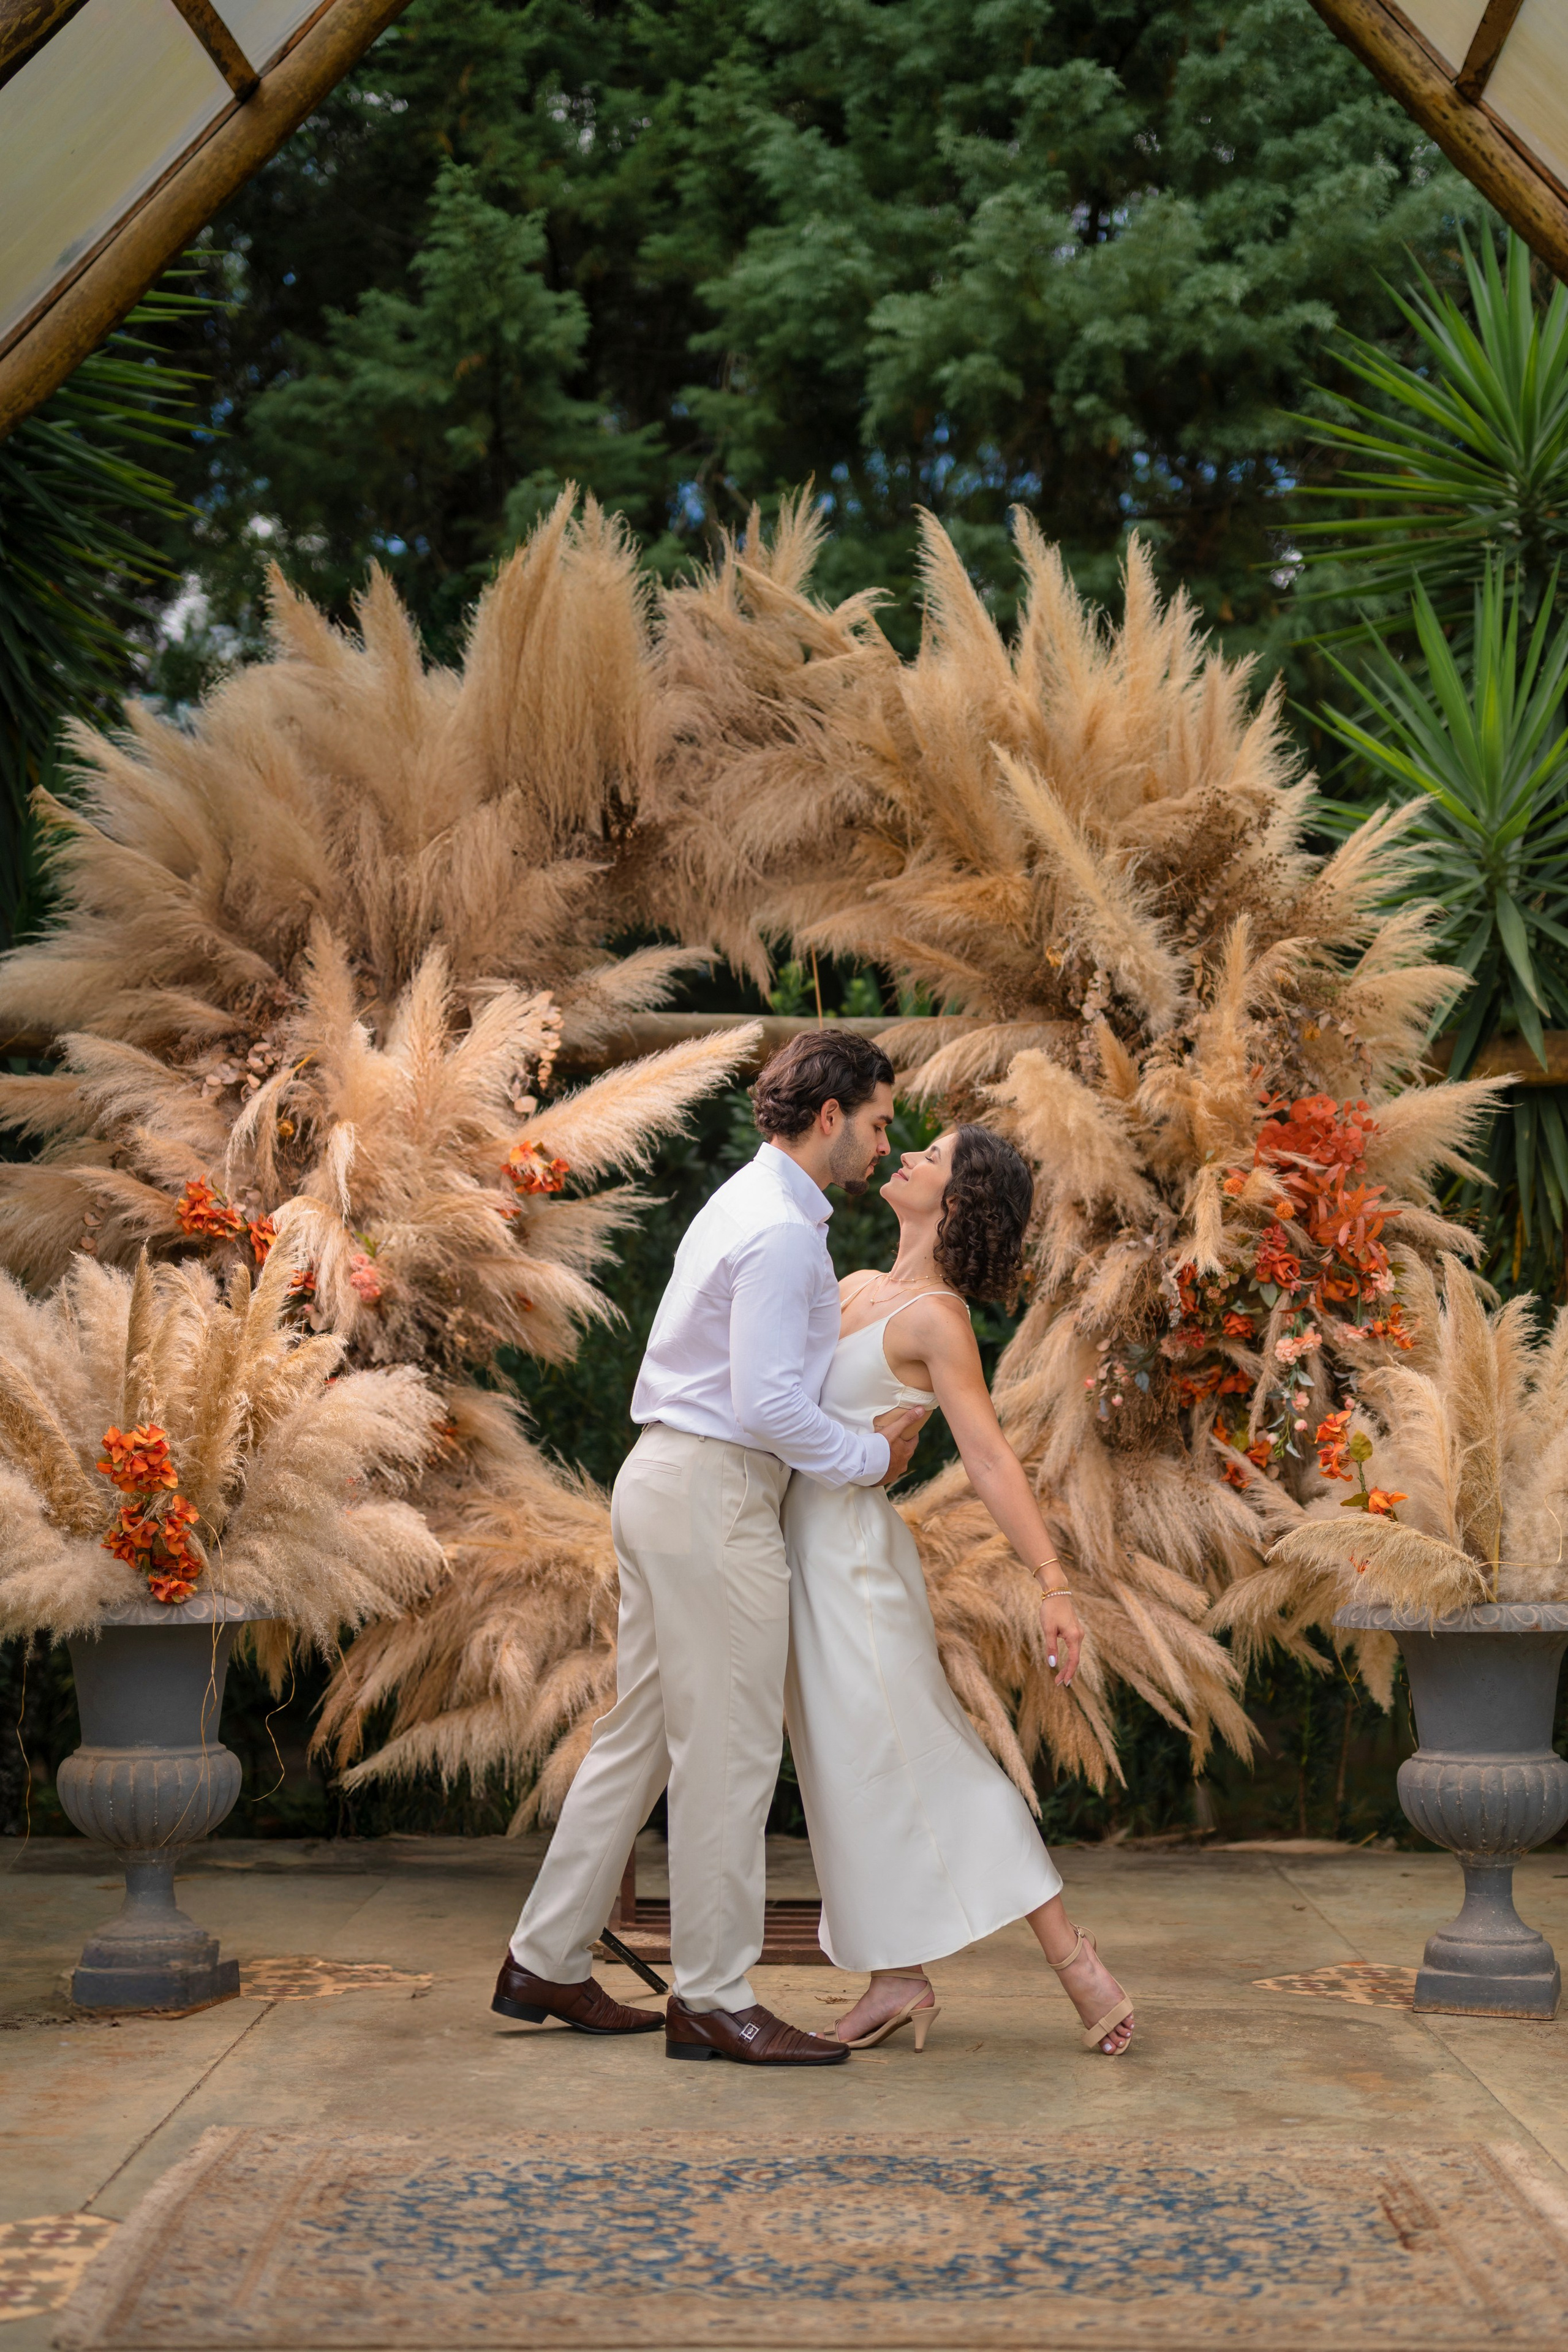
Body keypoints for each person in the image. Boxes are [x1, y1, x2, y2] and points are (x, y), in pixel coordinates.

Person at [492, 1031, 925, 2065]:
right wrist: (870, 1458)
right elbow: (770, 1401)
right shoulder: (781, 1231)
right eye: (874, 1124)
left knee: (640, 1736)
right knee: (728, 1751)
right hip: (716, 1494)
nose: (880, 1145)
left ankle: (545, 1959)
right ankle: (715, 1998)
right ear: (831, 1117)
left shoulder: (746, 1204)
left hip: (670, 1485)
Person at [783, 1122, 1136, 2057]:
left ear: (960, 1199)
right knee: (844, 1775)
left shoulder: (936, 1319)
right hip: (797, 1561)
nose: (904, 1157)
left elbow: (986, 1456)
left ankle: (1074, 1961)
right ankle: (896, 1976)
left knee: (932, 1756)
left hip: (856, 1568)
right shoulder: (853, 1286)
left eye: (930, 1157)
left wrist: (1053, 1583)